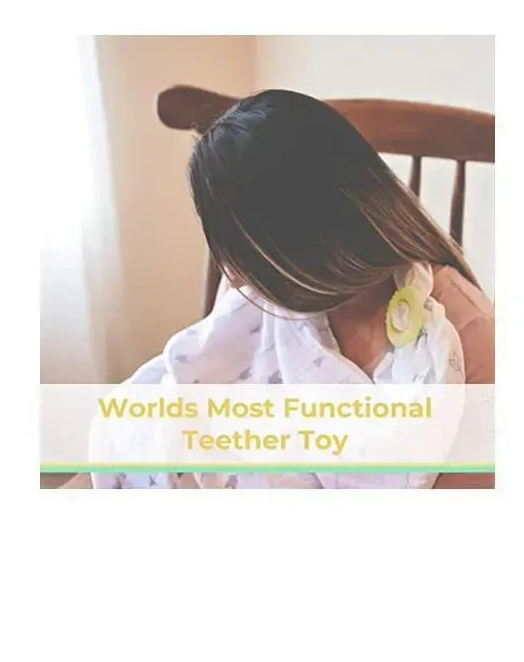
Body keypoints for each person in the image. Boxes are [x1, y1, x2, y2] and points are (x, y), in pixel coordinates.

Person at [92, 89, 494, 489]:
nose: (238, 278)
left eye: (248, 261)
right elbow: (204, 379)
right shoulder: (257, 295)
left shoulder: (459, 336)